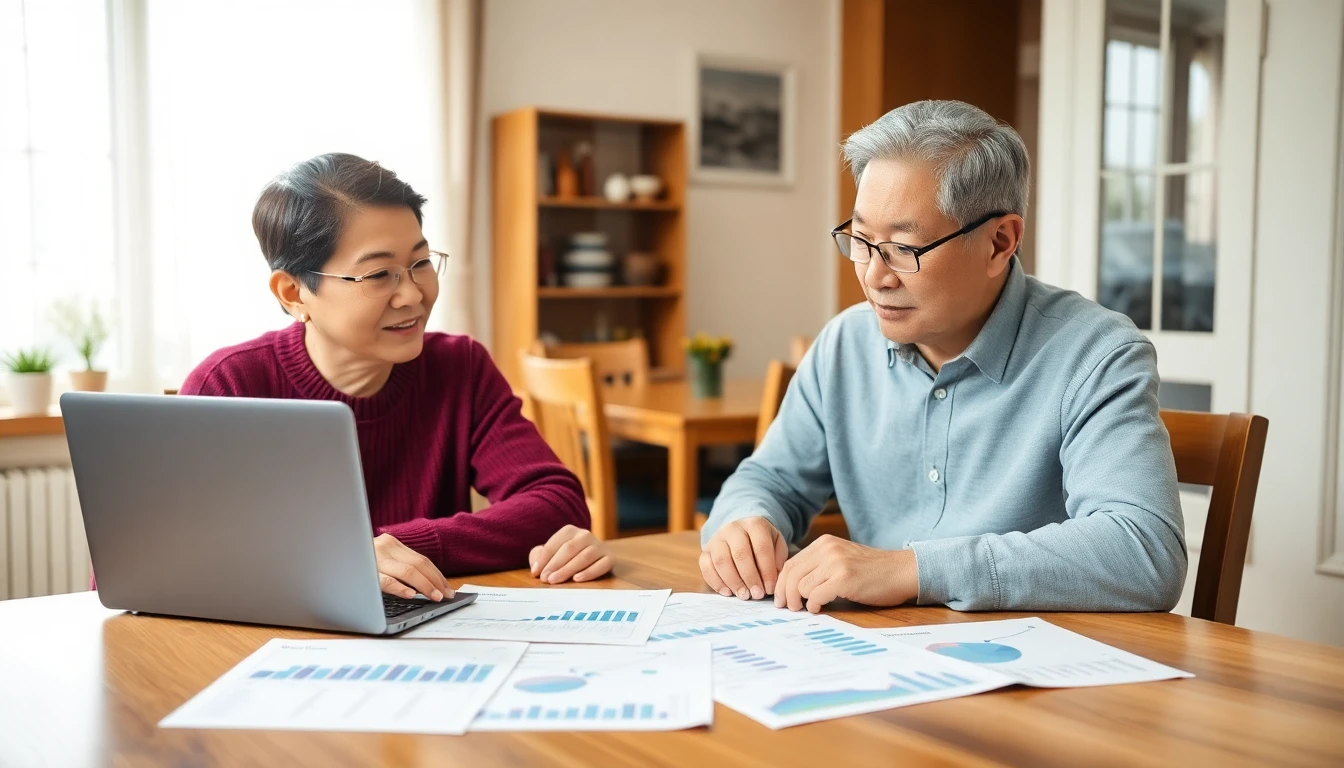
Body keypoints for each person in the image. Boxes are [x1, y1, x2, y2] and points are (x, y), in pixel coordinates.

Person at [700, 100, 1185, 614]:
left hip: (1032, 674)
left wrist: (913, 569)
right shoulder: (845, 346)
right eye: (862, 240)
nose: (873, 276)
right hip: (873, 656)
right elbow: (770, 480)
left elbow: (1144, 550)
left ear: (1001, 242)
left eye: (904, 249)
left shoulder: (1095, 355)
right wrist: (743, 523)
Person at [180, 153, 612, 601]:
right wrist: (345, 559)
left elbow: (556, 503)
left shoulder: (459, 366)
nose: (412, 295)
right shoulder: (228, 388)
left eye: (420, 263)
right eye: (379, 274)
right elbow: (159, 561)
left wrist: (404, 548)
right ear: (294, 293)